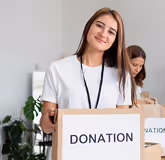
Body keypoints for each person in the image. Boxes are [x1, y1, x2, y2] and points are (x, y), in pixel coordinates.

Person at [39, 8, 135, 159]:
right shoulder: (58, 68)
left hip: (107, 154)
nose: (103, 34)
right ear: (88, 27)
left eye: (111, 32)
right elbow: (45, 125)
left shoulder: (122, 75)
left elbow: (122, 124)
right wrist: (49, 120)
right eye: (99, 25)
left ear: (116, 40)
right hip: (67, 153)